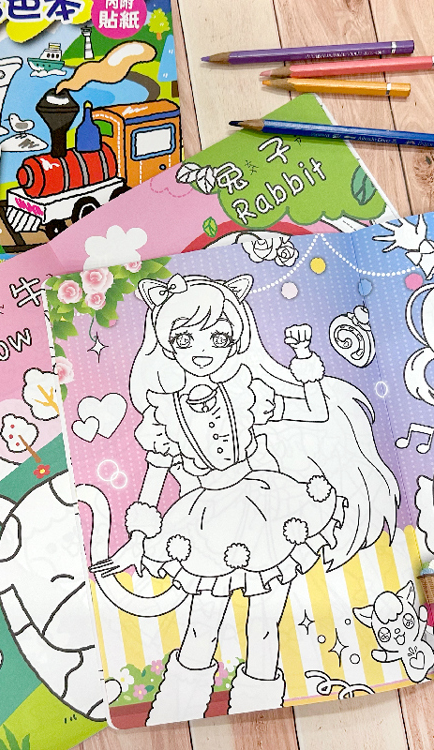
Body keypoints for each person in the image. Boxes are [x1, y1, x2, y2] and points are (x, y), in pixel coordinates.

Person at [90, 273, 399, 722]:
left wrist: (306, 368)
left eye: (218, 338)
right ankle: (177, 708)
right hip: (205, 520)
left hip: (268, 507)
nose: (203, 350)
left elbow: (313, 412)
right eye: (185, 339)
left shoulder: (245, 389)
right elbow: (153, 481)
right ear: (167, 344)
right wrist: (137, 540)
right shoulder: (165, 412)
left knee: (264, 624)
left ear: (235, 341)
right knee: (201, 628)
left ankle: (258, 708)